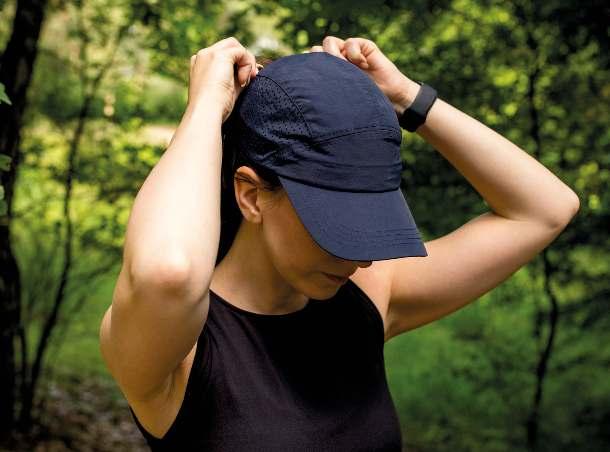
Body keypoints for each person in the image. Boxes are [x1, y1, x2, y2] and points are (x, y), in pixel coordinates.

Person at [98, 36, 580, 451]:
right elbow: (168, 271)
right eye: (335, 225)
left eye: (368, 221)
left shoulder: (366, 298)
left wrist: (404, 97)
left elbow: (545, 208)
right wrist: (206, 106)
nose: (360, 257)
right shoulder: (178, 343)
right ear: (251, 195)